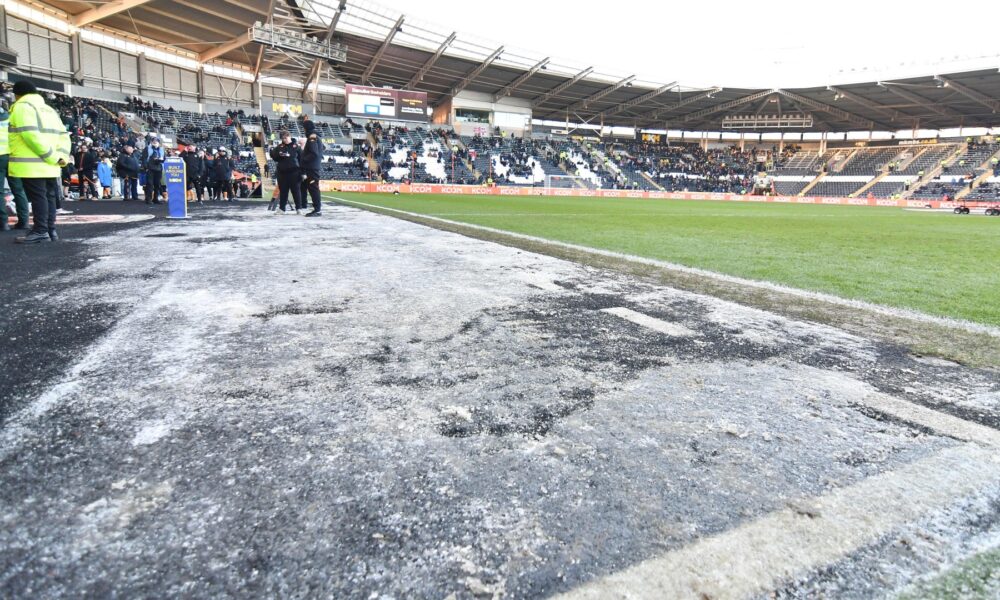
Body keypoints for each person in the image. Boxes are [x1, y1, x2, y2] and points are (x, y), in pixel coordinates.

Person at [8, 80, 70, 244]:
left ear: (18, 94)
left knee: (38, 197)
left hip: (32, 164)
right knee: (49, 196)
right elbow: (64, 135)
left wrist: (49, 155)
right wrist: (60, 156)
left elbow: (30, 135)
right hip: (51, 164)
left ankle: (40, 231)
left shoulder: (22, 107)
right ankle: (50, 230)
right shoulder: (49, 110)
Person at [0, 94, 31, 231]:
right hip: (13, 156)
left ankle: (3, 223)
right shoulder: (13, 118)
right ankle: (24, 221)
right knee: (18, 189)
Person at [269, 130, 302, 213]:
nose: (284, 140)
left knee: (296, 191)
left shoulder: (296, 146)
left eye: (286, 138)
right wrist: (278, 155)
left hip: (294, 172)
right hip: (282, 173)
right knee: (283, 191)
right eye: (283, 138)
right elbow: (274, 157)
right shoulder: (279, 146)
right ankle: (282, 209)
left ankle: (299, 208)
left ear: (289, 136)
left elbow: (302, 160)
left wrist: (303, 172)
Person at [300, 119, 324, 216]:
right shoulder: (315, 136)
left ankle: (317, 210)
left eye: (304, 128)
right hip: (312, 167)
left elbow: (314, 153)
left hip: (312, 168)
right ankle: (313, 207)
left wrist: (304, 159)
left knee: (313, 188)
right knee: (309, 187)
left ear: (306, 128)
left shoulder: (312, 137)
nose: (303, 130)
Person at [143, 136, 164, 205]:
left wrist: (160, 160)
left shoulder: (161, 149)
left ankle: (156, 198)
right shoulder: (147, 148)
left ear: (159, 142)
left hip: (159, 168)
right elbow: (144, 158)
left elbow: (164, 158)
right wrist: (146, 167)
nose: (155, 142)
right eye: (153, 141)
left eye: (156, 141)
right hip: (150, 169)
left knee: (157, 184)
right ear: (151, 142)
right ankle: (148, 199)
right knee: (150, 184)